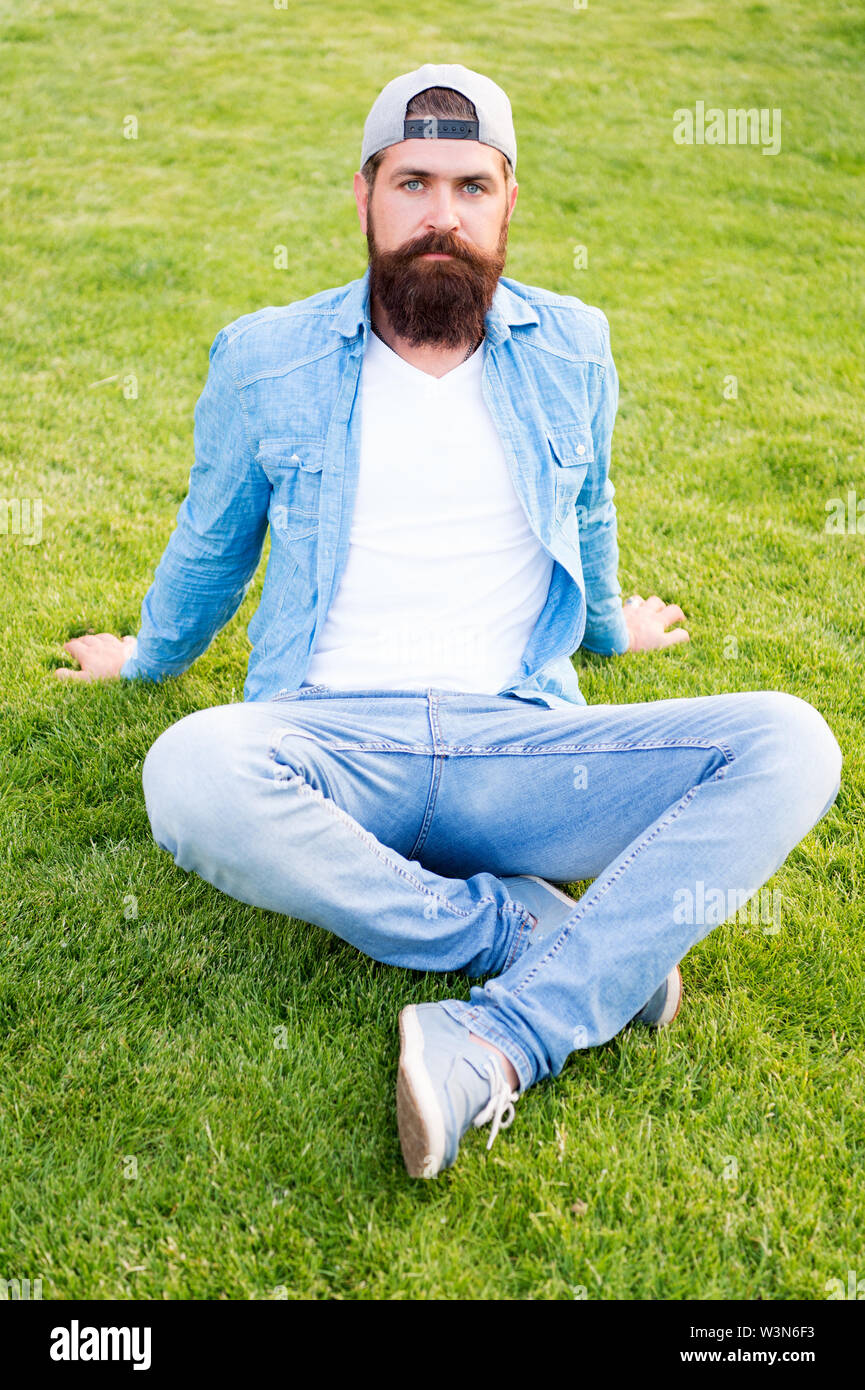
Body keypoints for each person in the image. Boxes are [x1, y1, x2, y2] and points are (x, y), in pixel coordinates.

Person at [56, 64, 843, 1179]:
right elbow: (210, 544)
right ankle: (522, 935)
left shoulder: (575, 347)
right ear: (365, 194)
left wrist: (611, 626)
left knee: (792, 740)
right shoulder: (265, 357)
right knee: (188, 769)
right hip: (333, 748)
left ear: (508, 198)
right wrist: (148, 660)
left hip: (522, 749)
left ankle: (495, 1037)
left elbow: (588, 505)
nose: (442, 215)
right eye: (413, 182)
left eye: (470, 186)